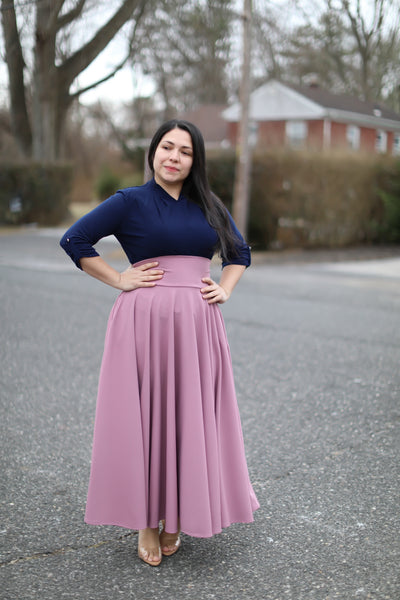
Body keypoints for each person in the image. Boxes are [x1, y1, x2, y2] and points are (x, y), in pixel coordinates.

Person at [60, 119, 259, 567]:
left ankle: (177, 514)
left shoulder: (208, 204)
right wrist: (117, 278)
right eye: (167, 147)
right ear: (153, 152)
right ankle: (146, 522)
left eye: (185, 152)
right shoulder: (130, 201)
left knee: (188, 416)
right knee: (147, 416)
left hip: (197, 325)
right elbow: (74, 240)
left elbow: (239, 254)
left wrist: (224, 288)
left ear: (195, 161)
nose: (174, 157)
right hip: (143, 321)